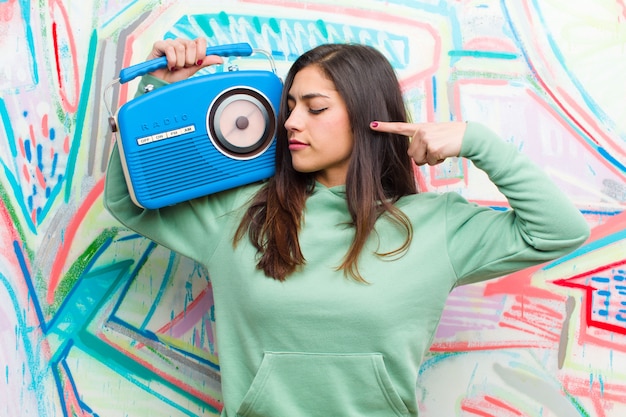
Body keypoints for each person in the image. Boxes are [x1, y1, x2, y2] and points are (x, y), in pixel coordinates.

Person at [104, 37, 590, 416]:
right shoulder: (240, 213)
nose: (292, 122)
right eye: (289, 106)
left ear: (368, 119)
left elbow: (559, 230)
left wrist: (477, 141)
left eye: (315, 109)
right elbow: (131, 202)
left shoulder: (436, 226)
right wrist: (163, 91)